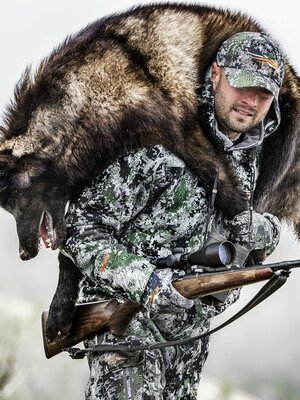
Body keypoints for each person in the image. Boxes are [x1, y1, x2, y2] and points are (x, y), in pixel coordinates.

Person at [60, 32, 285, 399]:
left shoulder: (254, 155)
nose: (250, 101)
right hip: (125, 324)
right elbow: (80, 228)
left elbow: (242, 246)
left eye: (263, 93)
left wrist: (265, 233)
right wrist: (147, 282)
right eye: (242, 85)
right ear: (216, 74)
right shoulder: (160, 135)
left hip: (188, 340)